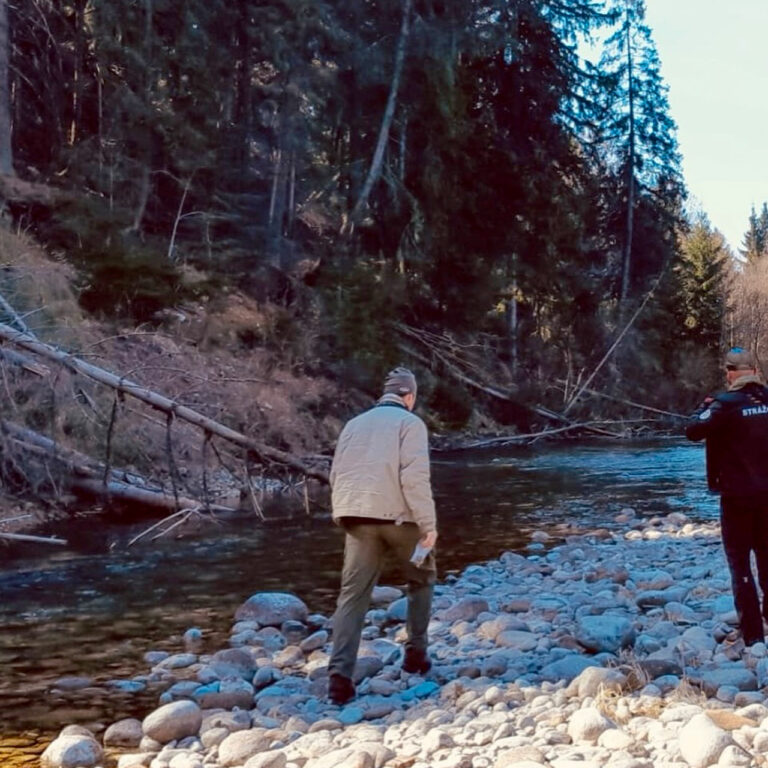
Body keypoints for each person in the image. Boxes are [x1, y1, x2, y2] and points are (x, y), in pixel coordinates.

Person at [326, 366, 438, 705]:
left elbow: (336, 473)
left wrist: (343, 513)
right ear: (410, 396)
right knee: (422, 579)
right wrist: (428, 524)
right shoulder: (411, 423)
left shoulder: (353, 424)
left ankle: (339, 680)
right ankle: (415, 656)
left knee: (352, 596)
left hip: (356, 518)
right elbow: (415, 477)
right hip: (401, 519)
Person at [686, 346, 768, 647]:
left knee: (740, 564)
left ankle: (753, 635)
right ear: (755, 372)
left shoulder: (724, 404)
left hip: (737, 498)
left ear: (730, 373)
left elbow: (692, 430)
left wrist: (703, 407)